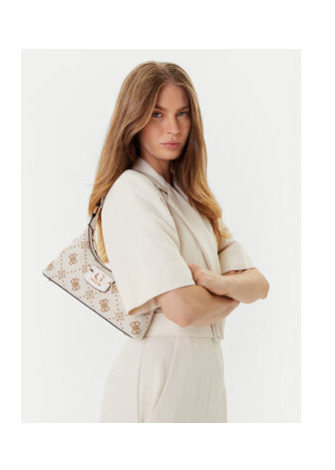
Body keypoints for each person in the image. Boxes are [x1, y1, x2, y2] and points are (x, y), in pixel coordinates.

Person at [89, 61, 270, 423]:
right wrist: (233, 291)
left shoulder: (192, 198)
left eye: (182, 113)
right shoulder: (132, 191)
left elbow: (260, 284)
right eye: (157, 114)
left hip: (206, 374)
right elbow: (183, 310)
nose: (173, 128)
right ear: (134, 119)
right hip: (160, 374)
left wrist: (219, 285)